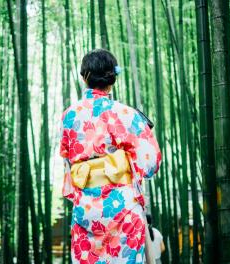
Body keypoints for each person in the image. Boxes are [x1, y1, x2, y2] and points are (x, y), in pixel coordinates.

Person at [59, 49, 162, 263]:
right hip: (123, 207)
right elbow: (151, 162)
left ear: (83, 77)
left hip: (85, 210)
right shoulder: (125, 113)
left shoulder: (68, 116)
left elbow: (68, 163)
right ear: (112, 78)